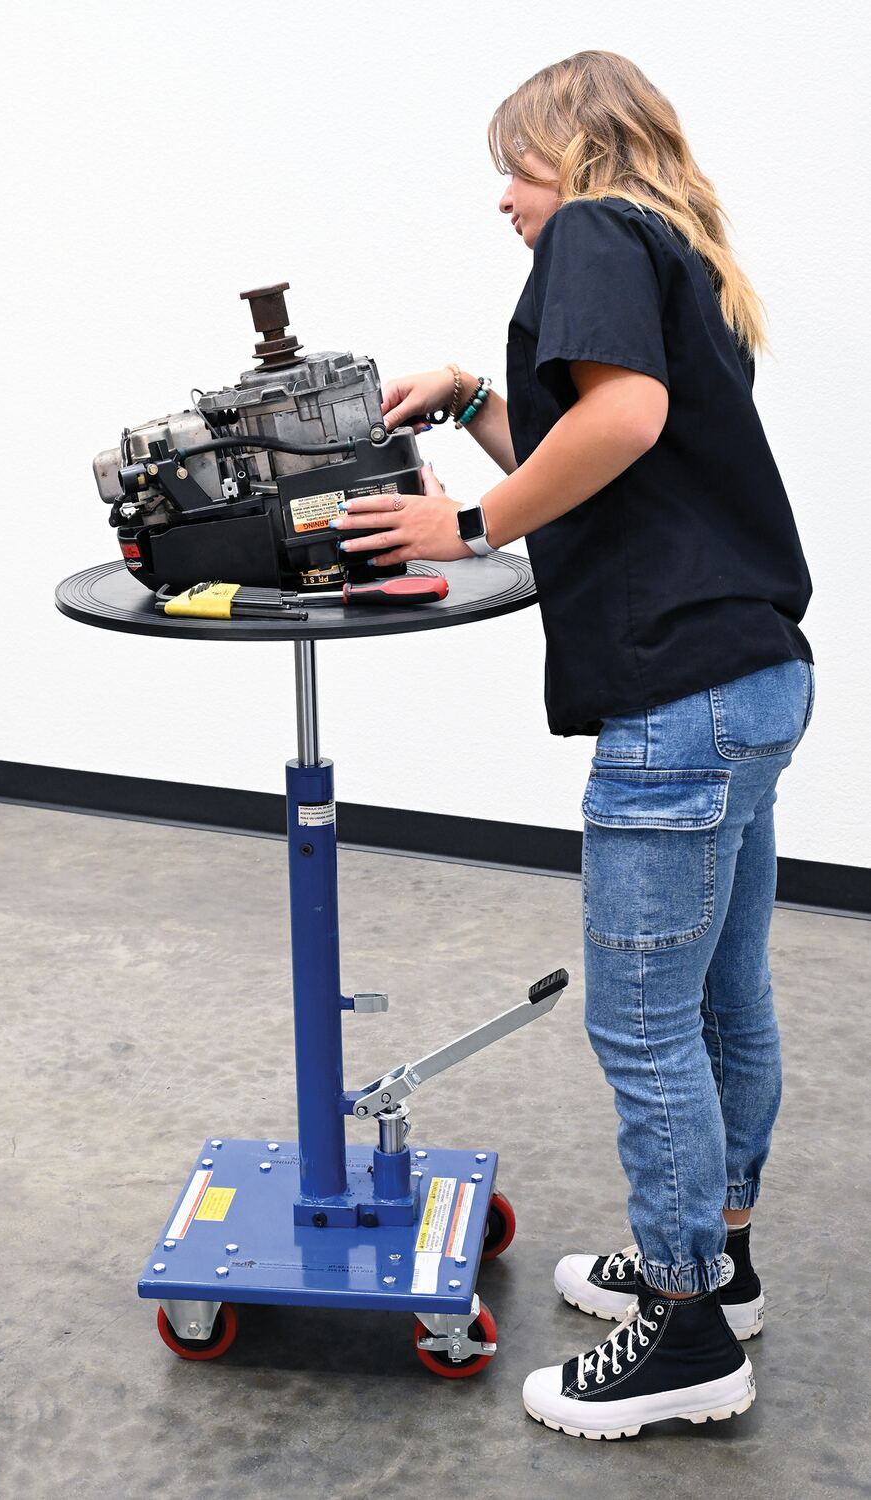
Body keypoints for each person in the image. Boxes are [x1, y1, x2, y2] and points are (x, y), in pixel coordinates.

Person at [329, 49, 814, 1439]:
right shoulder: (684, 254)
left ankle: (683, 1339)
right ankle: (714, 1272)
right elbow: (606, 462)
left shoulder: (597, 229)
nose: (505, 198)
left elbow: (623, 418)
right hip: (750, 678)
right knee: (722, 1004)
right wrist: (471, 401)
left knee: (644, 1023)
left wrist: (465, 525)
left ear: (581, 149)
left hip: (678, 698)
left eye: (517, 166)